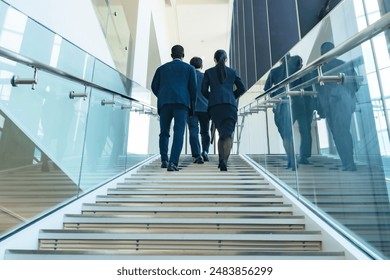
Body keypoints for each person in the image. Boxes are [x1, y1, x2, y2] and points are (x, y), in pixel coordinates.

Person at [151, 45, 197, 171]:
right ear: (183, 55)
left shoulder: (161, 69)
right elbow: (194, 90)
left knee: (164, 132)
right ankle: (173, 163)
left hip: (164, 103)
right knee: (179, 132)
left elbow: (154, 86)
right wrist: (191, 103)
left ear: (171, 56)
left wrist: (162, 95)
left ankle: (164, 160)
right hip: (182, 104)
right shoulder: (189, 68)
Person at [316, 42, 359, 171]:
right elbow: (356, 84)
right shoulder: (344, 64)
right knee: (345, 132)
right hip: (346, 103)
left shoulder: (321, 69)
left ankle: (348, 163)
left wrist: (321, 110)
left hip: (333, 105)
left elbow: (320, 92)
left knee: (338, 133)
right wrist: (347, 95)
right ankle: (348, 161)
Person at [201, 49, 246, 171]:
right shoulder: (232, 72)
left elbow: (203, 91)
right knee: (228, 135)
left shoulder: (208, 72)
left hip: (215, 107)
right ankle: (224, 160)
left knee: (221, 133)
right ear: (226, 59)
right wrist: (232, 96)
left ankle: (221, 160)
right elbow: (242, 88)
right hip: (230, 106)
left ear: (214, 59)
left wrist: (213, 98)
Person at [187, 56, 211, 163]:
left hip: (191, 107)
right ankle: (205, 151)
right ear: (202, 66)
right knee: (205, 131)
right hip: (205, 108)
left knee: (193, 130)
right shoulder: (206, 76)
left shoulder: (187, 76)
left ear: (190, 66)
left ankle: (197, 155)